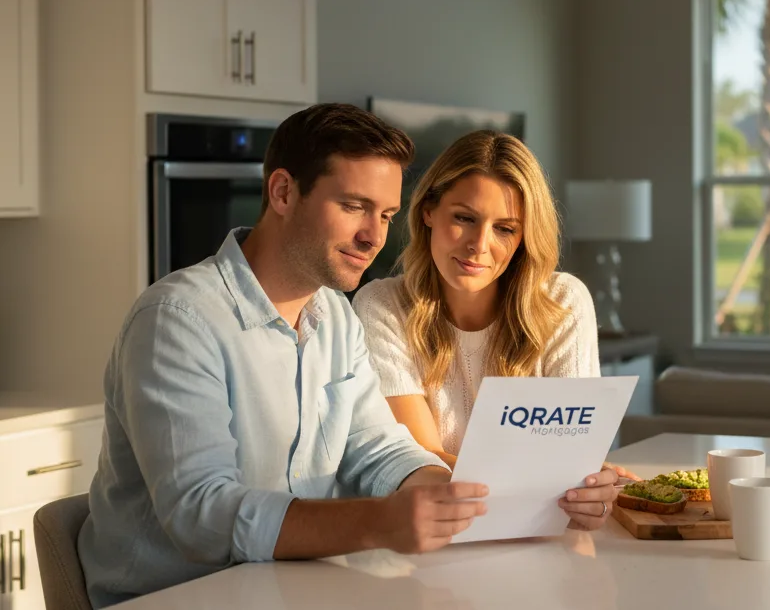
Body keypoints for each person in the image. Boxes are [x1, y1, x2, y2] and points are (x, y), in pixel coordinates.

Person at [77, 104, 619, 608]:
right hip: (179, 597)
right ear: (284, 193)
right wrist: (380, 523)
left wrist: (472, 497)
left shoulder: (335, 317)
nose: (374, 237)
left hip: (290, 588)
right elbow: (201, 513)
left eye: (385, 215)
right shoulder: (179, 320)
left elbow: (379, 450)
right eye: (354, 206)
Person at [353, 130, 635, 532]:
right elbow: (421, 462)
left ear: (523, 237)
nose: (479, 246)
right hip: (431, 547)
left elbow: (570, 468)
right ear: (429, 210)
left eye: (505, 228)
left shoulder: (563, 303)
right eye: (464, 218)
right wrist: (549, 479)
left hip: (540, 545)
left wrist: (589, 491)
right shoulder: (382, 305)